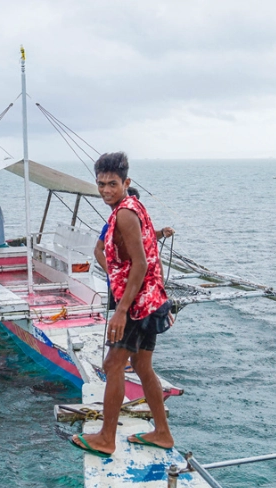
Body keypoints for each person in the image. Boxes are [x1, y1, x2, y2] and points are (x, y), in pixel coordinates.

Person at [71, 152, 174, 458]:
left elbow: (140, 264)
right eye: (101, 184)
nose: (106, 190)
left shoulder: (125, 214)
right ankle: (162, 433)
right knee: (142, 365)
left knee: (112, 365)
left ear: (126, 182)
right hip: (150, 300)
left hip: (136, 304)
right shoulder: (132, 207)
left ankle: (106, 438)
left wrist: (121, 310)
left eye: (112, 184)